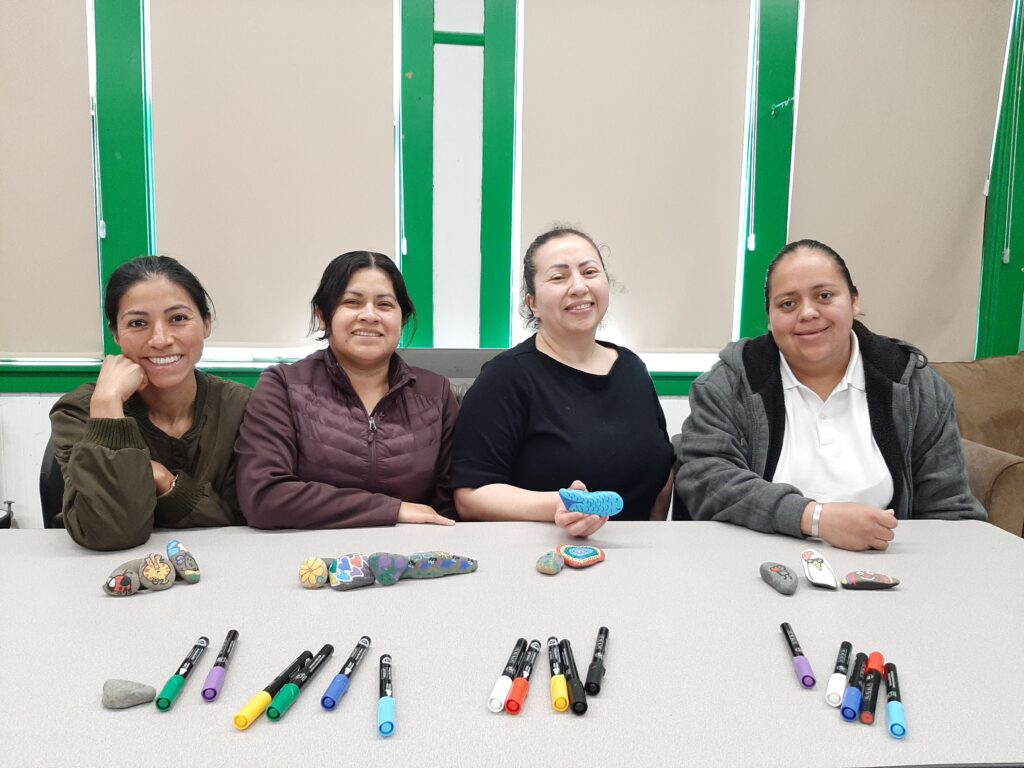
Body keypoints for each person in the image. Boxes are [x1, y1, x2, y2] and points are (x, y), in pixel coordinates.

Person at [675, 238, 985, 550]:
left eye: (824, 296)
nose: (808, 313)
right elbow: (705, 479)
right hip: (757, 564)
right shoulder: (728, 385)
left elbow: (948, 511)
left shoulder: (917, 387)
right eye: (787, 304)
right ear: (770, 318)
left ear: (854, 301)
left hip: (883, 568)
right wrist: (814, 517)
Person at [452, 227, 674, 536]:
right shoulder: (505, 377)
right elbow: (470, 496)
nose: (579, 286)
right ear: (532, 302)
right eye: (558, 277)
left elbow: (663, 470)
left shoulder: (632, 368)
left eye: (590, 271)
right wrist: (558, 505)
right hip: (546, 561)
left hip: (635, 560)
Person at [235, 251, 458, 528]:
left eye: (385, 304)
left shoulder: (436, 393)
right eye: (352, 302)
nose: (369, 315)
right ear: (323, 316)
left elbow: (451, 505)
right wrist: (392, 510)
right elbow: (264, 497)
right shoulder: (282, 387)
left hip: (409, 557)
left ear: (401, 319)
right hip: (307, 559)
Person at [50, 256, 251, 551]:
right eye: (138, 323)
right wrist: (107, 407)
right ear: (116, 333)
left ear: (207, 323)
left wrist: (163, 479)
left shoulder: (242, 407)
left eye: (178, 318)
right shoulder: (80, 411)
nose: (160, 339)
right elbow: (110, 532)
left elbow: (240, 522)